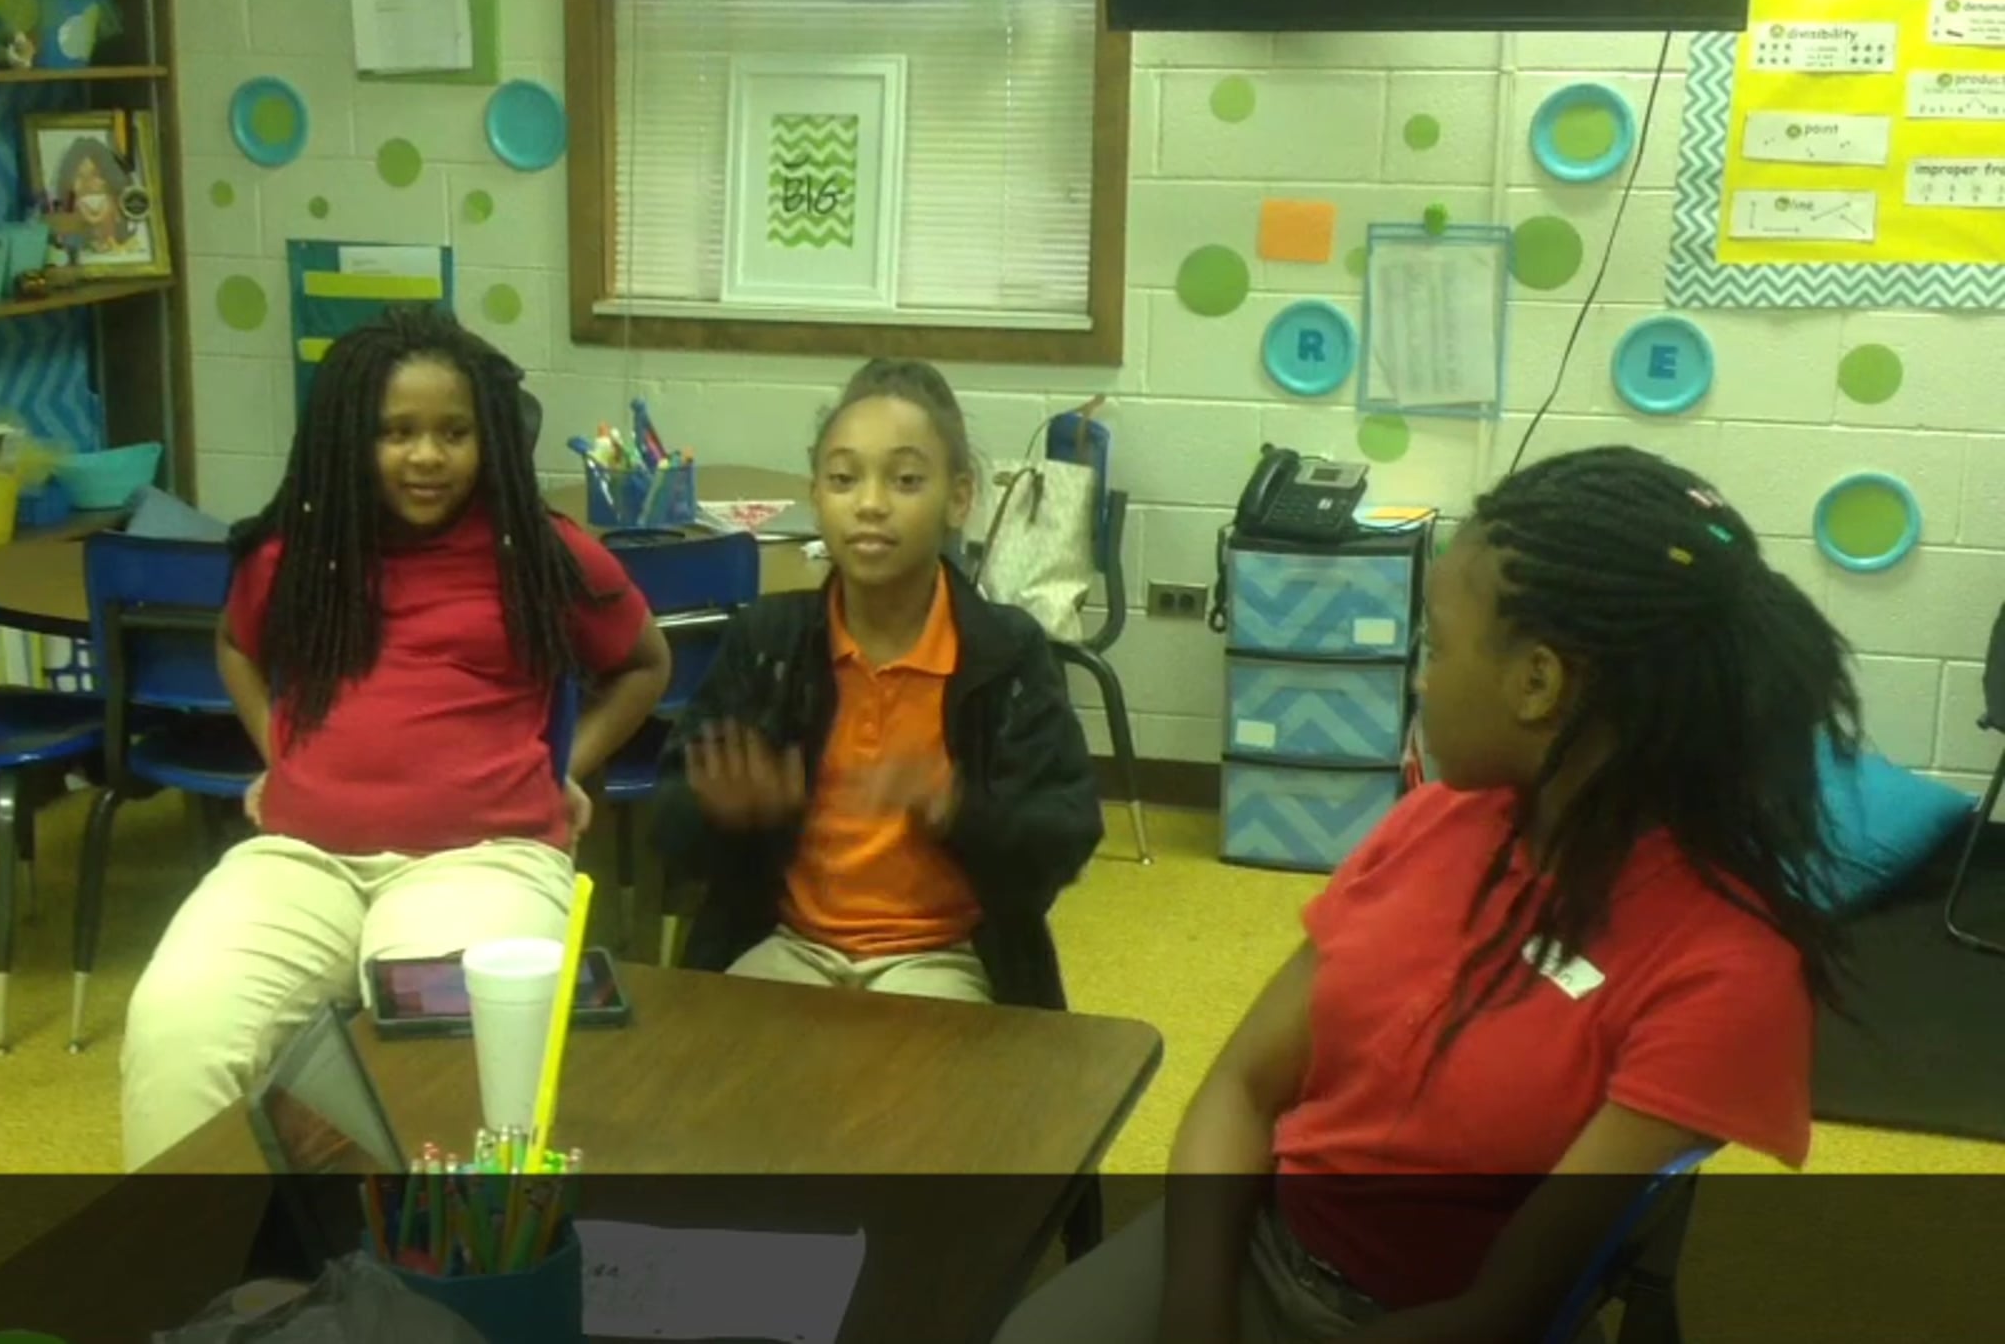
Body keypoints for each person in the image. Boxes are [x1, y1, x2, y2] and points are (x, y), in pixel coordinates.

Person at [995, 446, 1858, 1343]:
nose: (1418, 676)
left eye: (1436, 646)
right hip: (1255, 1244)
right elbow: (1243, 1090)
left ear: (1538, 683)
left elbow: (1504, 1308)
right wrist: (1194, 1313)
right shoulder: (1434, 823)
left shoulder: (1728, 969)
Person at [119, 306, 672, 1170]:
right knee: (178, 1025)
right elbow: (235, 644)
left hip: (484, 857)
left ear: (490, 438)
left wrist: (561, 763)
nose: (427, 456)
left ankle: (421, 1255)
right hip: (303, 858)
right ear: (352, 437)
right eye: (396, 432)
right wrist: (281, 749)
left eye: (454, 432)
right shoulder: (302, 552)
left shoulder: (541, 551)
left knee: (440, 1062)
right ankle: (195, 1252)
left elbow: (644, 663)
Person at [652, 359, 1101, 1007]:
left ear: (959, 498)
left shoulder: (1005, 653)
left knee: (915, 1063)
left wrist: (960, 810)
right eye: (843, 478)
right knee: (722, 1059)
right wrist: (723, 813)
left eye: (906, 480)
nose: (869, 504)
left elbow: (1064, 837)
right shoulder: (769, 643)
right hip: (790, 941)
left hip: (941, 953)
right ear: (816, 494)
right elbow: (671, 831)